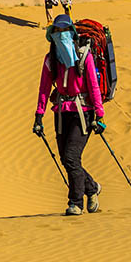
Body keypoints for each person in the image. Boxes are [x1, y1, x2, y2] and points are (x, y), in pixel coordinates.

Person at [33, 14, 107, 216]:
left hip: (83, 113)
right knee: (67, 160)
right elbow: (44, 88)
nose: (60, 35)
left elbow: (93, 86)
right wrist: (39, 115)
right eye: (57, 31)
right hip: (61, 112)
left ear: (71, 33)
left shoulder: (85, 55)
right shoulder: (51, 59)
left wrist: (99, 115)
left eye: (64, 31)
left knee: (72, 157)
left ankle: (75, 203)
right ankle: (91, 189)